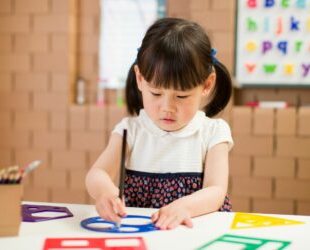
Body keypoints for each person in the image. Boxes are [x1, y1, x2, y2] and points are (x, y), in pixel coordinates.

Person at [86, 17, 234, 230]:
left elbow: (216, 190)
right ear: (139, 78)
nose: (167, 107)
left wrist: (185, 207)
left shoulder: (213, 132)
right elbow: (97, 173)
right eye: (156, 93)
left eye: (181, 96)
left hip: (194, 233)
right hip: (143, 234)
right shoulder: (131, 130)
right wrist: (105, 192)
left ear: (207, 84)